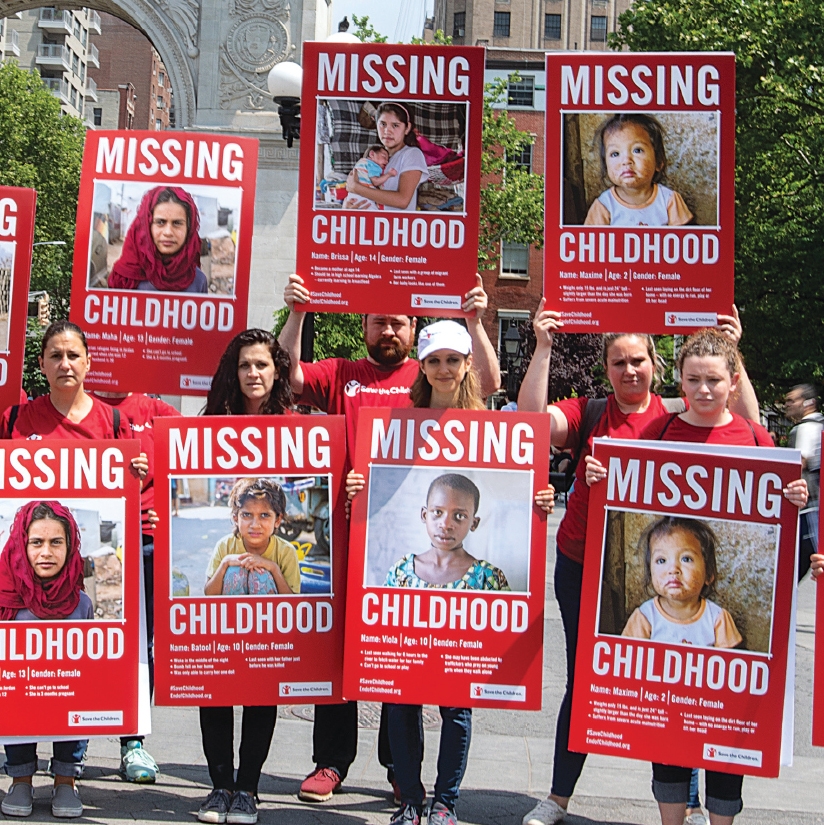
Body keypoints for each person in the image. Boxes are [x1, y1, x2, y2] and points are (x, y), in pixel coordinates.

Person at [517, 304, 760, 825]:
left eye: (638, 361)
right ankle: (558, 797)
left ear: (655, 364)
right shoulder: (590, 411)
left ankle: (684, 801)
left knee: (672, 678)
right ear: (606, 368)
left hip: (657, 570)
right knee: (584, 680)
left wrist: (729, 348)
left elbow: (751, 440)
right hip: (584, 562)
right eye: (618, 361)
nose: (629, 370)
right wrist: (541, 347)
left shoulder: (674, 414)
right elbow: (531, 424)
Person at [278, 273, 500, 804]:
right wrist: (298, 314)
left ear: (414, 329)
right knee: (341, 653)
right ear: (364, 326)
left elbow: (487, 388)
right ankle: (331, 761)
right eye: (379, 321)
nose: (388, 330)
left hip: (404, 539)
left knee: (398, 655)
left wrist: (474, 319)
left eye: (398, 322)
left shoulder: (429, 380)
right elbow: (287, 377)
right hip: (346, 536)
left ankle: (398, 769)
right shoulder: (343, 375)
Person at [585, 327, 807, 825]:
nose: (704, 390)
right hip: (665, 661)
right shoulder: (659, 433)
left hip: (715, 661)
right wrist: (602, 477)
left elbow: (785, 512)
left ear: (733, 381)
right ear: (680, 383)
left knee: (726, 739)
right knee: (666, 737)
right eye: (693, 380)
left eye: (714, 380)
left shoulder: (755, 438)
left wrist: (796, 500)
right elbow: (621, 480)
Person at [347, 320, 553, 825]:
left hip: (463, 617)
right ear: (423, 366)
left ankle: (446, 802)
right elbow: (378, 485)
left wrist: (538, 498)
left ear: (466, 367)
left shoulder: (493, 428)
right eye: (434, 360)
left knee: (456, 708)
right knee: (401, 701)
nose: (443, 369)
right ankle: (411, 799)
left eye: (452, 360)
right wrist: (358, 484)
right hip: (411, 607)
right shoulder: (396, 424)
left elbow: (524, 474)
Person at [196, 328, 294, 825]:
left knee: (261, 694)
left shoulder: (298, 428)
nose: (253, 374)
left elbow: (296, 598)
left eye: (262, 365)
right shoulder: (211, 424)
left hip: (269, 629)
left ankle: (248, 789)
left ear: (278, 371)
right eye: (244, 366)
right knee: (213, 689)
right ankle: (218, 787)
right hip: (220, 623)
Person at [92, 391, 182, 783]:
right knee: (90, 636)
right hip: (97, 543)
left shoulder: (157, 410)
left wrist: (169, 500)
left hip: (146, 541)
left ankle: (133, 742)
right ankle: (70, 740)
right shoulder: (83, 406)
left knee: (141, 646)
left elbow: (194, 457)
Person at [0, 502, 93, 819]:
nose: (46, 552)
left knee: (78, 699)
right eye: (36, 542)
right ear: (20, 544)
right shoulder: (6, 599)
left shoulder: (82, 603)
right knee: (14, 701)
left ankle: (66, 780)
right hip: (23, 695)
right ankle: (21, 779)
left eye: (57, 542)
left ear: (70, 545)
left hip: (67, 694)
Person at [621, 517, 742, 648]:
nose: (673, 569)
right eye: (661, 560)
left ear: (709, 573)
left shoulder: (717, 619)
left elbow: (729, 664)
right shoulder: (645, 617)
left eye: (686, 559)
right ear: (650, 574)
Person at [385, 473, 509, 590]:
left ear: (474, 523)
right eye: (437, 512)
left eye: (459, 516)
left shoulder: (488, 578)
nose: (445, 525)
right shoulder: (401, 571)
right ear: (424, 515)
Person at [584, 113, 693, 227]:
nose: (626, 161)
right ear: (606, 166)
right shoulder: (604, 206)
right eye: (615, 153)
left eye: (637, 150)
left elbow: (682, 241)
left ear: (659, 161)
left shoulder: (669, 200)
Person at [204, 477, 300, 596]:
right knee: (234, 572)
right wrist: (225, 563)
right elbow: (209, 594)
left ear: (277, 520)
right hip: (232, 613)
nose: (255, 525)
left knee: (260, 575)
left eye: (264, 515)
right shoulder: (225, 546)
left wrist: (273, 568)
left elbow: (292, 602)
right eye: (246, 515)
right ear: (236, 518)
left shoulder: (286, 552)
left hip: (269, 614)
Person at [107, 186, 208, 293]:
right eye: (160, 222)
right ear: (146, 226)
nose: (168, 232)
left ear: (189, 228)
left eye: (177, 223)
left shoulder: (198, 281)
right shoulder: (125, 277)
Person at [345, 102, 429, 211]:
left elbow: (403, 200)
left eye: (395, 125)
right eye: (383, 124)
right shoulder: (375, 157)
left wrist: (357, 188)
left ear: (407, 128)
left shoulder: (411, 154)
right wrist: (347, 206)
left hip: (397, 226)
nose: (387, 131)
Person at [785, 383, 823, 579]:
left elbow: (799, 464)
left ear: (808, 403)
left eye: (792, 400)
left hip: (810, 509)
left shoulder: (806, 429)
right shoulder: (820, 425)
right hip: (816, 507)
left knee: (793, 569)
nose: (787, 405)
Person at [348, 144, 398, 208]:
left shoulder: (362, 162)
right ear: (372, 154)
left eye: (388, 160)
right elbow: (376, 181)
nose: (387, 161)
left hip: (352, 196)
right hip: (363, 197)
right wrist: (389, 174)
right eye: (384, 157)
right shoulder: (373, 165)